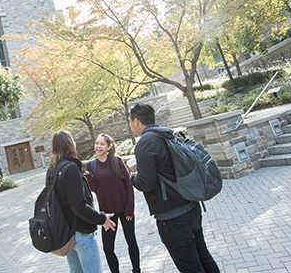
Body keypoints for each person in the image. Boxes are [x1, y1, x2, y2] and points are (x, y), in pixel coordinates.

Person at [128, 104, 220, 273]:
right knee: (204, 256)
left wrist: (133, 177)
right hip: (191, 205)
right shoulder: (168, 134)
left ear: (136, 121)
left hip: (172, 216)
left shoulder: (145, 143)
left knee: (190, 267)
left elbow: (146, 182)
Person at [49, 130, 116, 273]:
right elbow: (78, 206)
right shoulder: (71, 167)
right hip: (81, 233)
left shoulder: (52, 169)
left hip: (66, 233)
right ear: (70, 144)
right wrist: (102, 218)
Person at [84, 134, 141, 273]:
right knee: (108, 248)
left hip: (125, 208)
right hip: (107, 213)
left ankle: (136, 270)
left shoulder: (117, 161)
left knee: (131, 241)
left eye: (102, 144)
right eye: (97, 143)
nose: (98, 146)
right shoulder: (91, 165)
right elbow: (93, 190)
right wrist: (89, 179)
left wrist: (130, 208)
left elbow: (128, 185)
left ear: (109, 146)